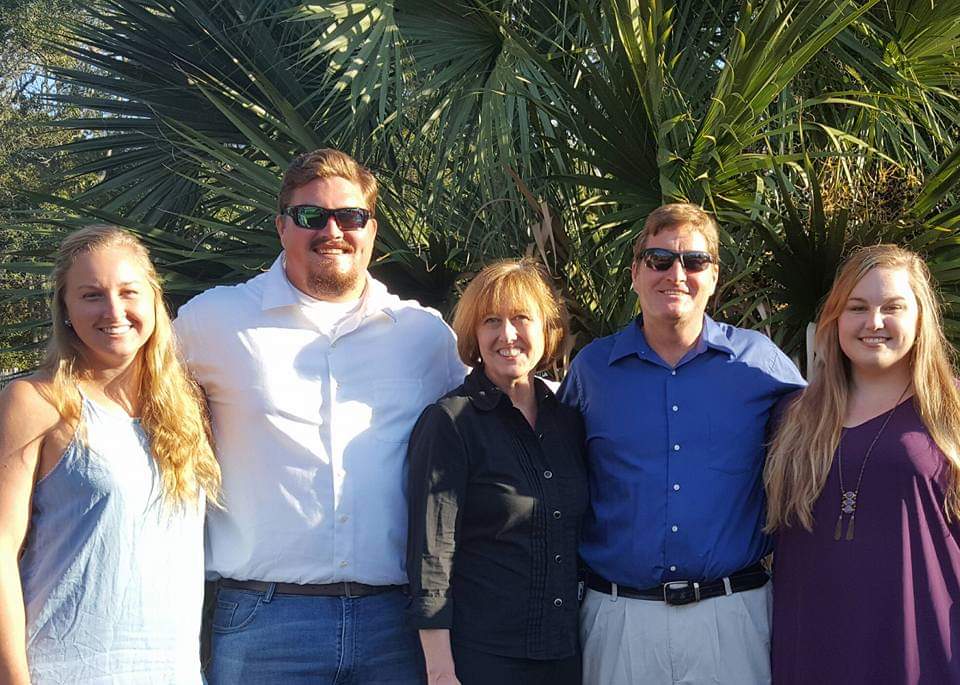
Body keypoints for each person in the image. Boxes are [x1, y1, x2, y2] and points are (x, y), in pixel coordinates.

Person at [174, 148, 464, 684]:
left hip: (395, 624)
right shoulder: (213, 321)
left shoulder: (424, 336)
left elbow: (490, 416)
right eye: (311, 215)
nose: (332, 231)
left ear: (371, 229)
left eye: (350, 216)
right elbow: (130, 398)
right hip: (266, 622)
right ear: (282, 226)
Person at [559, 203, 805, 684]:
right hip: (620, 621)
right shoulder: (592, 371)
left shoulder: (759, 363)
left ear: (713, 276)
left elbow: (829, 434)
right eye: (659, 260)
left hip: (731, 620)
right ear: (635, 273)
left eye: (694, 261)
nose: (676, 274)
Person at [0, 225, 220, 684]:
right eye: (91, 295)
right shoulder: (36, 401)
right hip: (65, 671)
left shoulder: (189, 407)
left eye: (128, 292)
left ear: (154, 299)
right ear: (65, 308)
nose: (113, 311)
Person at [765, 244, 960, 683]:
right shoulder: (792, 417)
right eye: (857, 307)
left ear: (920, 319)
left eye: (893, 307)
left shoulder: (952, 412)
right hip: (812, 655)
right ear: (835, 318)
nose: (873, 322)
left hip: (927, 657)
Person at [406, 258, 587, 685]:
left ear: (547, 329)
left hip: (564, 655)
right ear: (474, 333)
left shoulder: (568, 422)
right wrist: (440, 671)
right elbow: (431, 555)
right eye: (491, 321)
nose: (507, 335)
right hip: (481, 659)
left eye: (521, 318)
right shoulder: (451, 421)